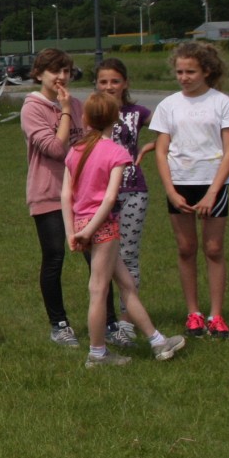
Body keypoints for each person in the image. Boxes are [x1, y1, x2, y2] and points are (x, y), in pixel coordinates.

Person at [62, 91, 187, 367]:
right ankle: (97, 354)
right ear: (116, 119)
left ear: (85, 119)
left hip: (83, 224)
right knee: (98, 289)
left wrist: (73, 231)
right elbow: (109, 199)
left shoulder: (75, 150)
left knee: (126, 284)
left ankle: (158, 341)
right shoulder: (116, 152)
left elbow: (65, 195)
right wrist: (88, 231)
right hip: (103, 226)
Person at [150, 41, 229, 339]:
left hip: (212, 184)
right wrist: (171, 190)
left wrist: (213, 192)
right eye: (180, 72)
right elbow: (161, 151)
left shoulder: (222, 103)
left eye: (190, 72)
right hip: (179, 184)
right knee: (186, 248)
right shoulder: (168, 105)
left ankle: (216, 315)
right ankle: (194, 314)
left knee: (213, 249)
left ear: (206, 71)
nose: (184, 77)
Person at [21, 48, 86, 348]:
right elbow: (57, 150)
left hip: (82, 195)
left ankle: (110, 322)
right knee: (54, 257)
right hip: (48, 193)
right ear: (38, 75)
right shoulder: (33, 109)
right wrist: (65, 111)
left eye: (66, 71)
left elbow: (88, 146)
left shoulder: (78, 105)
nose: (61, 77)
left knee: (97, 258)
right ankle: (59, 325)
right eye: (54, 71)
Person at [93, 58, 155, 346]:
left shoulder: (137, 113)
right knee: (104, 259)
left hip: (132, 191)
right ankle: (106, 319)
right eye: (103, 81)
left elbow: (170, 127)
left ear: (125, 83)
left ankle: (127, 320)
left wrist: (154, 144)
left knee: (128, 255)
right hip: (98, 194)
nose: (109, 87)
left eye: (115, 81)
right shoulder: (92, 113)